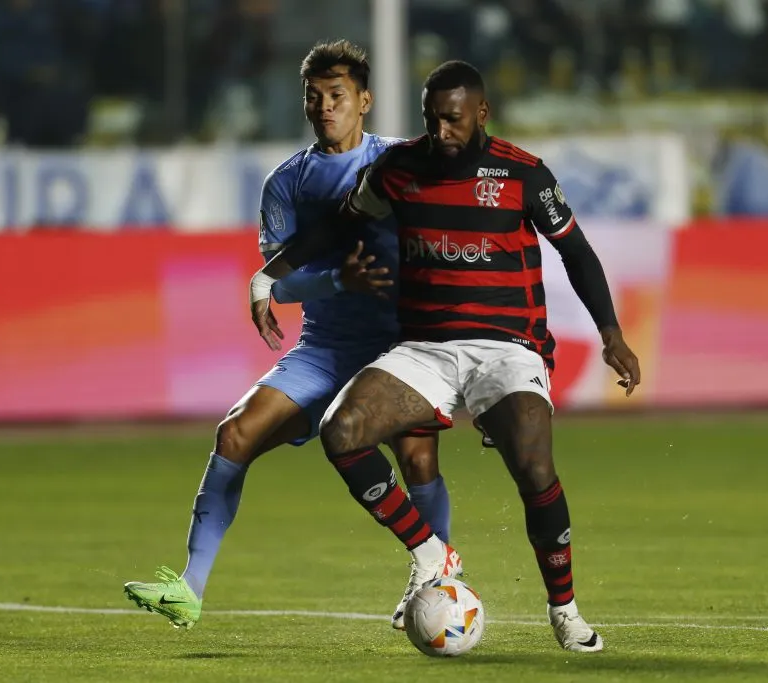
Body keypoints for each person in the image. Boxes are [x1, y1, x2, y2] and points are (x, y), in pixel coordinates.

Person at [249, 60, 641, 652]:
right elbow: (338, 226)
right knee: (342, 430)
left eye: (453, 120)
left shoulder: (523, 174)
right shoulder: (400, 168)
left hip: (506, 349)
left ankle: (565, 609)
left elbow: (577, 253)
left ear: (481, 113)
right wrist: (268, 274)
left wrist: (610, 333)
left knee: (535, 468)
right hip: (426, 348)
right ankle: (432, 552)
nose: (441, 132)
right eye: (432, 119)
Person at [122, 40, 458, 630]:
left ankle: (437, 574)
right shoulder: (288, 183)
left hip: (397, 347)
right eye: (315, 97)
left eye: (338, 96)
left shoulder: (403, 163)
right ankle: (190, 587)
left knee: (417, 457)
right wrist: (337, 279)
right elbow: (282, 280)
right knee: (234, 434)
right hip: (324, 351)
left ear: (365, 101)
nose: (325, 107)